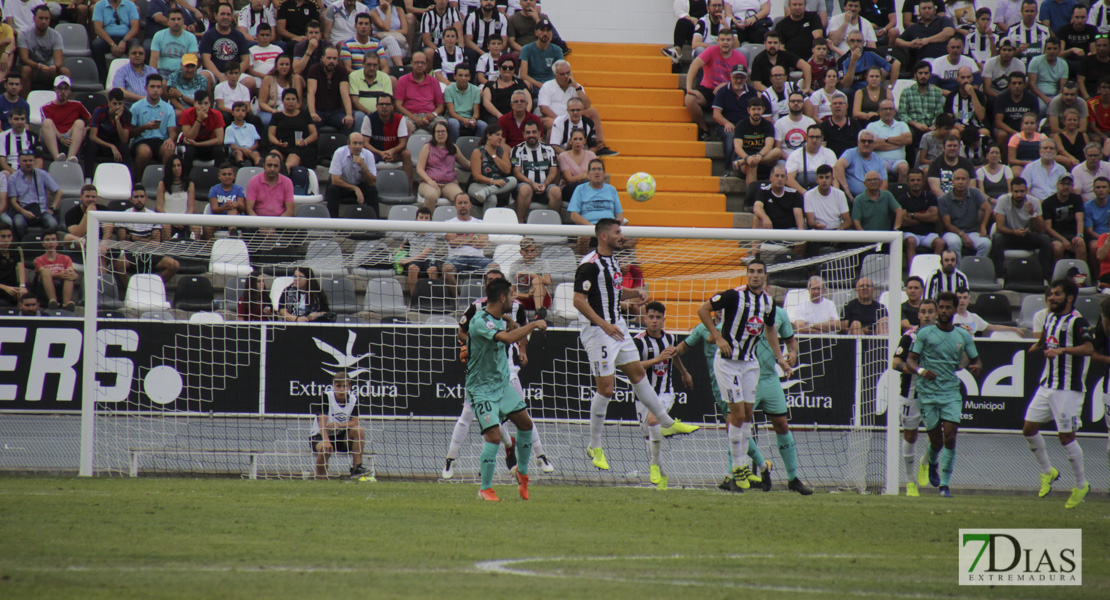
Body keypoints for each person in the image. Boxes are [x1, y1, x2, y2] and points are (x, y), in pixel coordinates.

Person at [578, 219, 699, 471]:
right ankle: (594, 445)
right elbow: (579, 301)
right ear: (603, 236)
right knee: (607, 389)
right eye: (617, 232)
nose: (622, 236)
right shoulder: (588, 265)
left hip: (616, 326)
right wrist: (604, 325)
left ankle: (666, 420)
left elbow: (611, 292)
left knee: (637, 373)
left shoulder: (613, 262)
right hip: (598, 332)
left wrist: (635, 294)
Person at [445, 269, 554, 480]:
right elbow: (500, 335)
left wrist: (521, 346)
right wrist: (471, 344)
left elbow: (513, 329)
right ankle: (455, 462)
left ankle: (535, 460)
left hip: (504, 374)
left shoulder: (511, 310)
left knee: (524, 420)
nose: (514, 297)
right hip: (481, 383)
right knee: (485, 429)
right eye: (491, 281)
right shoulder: (478, 314)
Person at [693, 257, 783, 486]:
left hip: (750, 363)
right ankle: (738, 467)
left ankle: (747, 465)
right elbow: (703, 310)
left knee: (748, 415)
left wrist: (780, 358)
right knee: (738, 415)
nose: (755, 275)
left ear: (765, 276)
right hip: (727, 362)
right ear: (747, 274)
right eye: (751, 271)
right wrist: (718, 336)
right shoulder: (734, 295)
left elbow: (771, 329)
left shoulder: (769, 303)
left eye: (759, 272)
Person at [466, 277, 546, 501]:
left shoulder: (497, 316)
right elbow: (506, 338)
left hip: (501, 385)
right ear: (502, 297)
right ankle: (485, 488)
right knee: (492, 436)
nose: (514, 298)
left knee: (526, 424)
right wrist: (532, 325)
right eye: (511, 295)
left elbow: (500, 321)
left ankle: (522, 473)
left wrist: (509, 318)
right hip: (481, 388)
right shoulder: (480, 322)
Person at [1024, 278, 1092, 508]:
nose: (1051, 298)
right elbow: (1046, 336)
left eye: (1056, 294)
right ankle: (1048, 472)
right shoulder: (1050, 316)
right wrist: (1039, 345)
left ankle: (1081, 484)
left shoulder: (1078, 321)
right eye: (1050, 294)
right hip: (1048, 384)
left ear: (1069, 298)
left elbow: (1088, 349)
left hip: (1068, 389)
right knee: (1029, 428)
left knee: (1066, 437)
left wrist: (1062, 350)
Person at [904, 291, 980, 497]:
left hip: (951, 392)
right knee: (936, 441)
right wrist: (921, 371)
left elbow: (976, 358)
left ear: (955, 310)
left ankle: (945, 485)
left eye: (948, 308)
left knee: (951, 436)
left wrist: (976, 366)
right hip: (927, 394)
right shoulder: (924, 334)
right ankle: (932, 462)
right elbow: (910, 360)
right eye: (941, 307)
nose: (944, 311)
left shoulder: (963, 335)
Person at [631, 302, 693, 490]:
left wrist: (683, 372)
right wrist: (657, 359)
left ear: (664, 319)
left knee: (653, 421)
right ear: (645, 319)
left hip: (664, 392)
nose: (654, 321)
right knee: (650, 441)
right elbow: (633, 367)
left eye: (658, 317)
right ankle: (662, 477)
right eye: (651, 317)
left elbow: (674, 356)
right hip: (642, 396)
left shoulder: (670, 338)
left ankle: (653, 468)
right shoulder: (638, 341)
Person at [891, 297, 937, 496]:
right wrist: (914, 370)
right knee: (910, 435)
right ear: (918, 315)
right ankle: (910, 483)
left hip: (935, 393)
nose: (926, 316)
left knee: (939, 434)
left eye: (930, 312)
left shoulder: (943, 337)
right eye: (923, 312)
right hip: (911, 393)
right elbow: (895, 363)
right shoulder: (909, 337)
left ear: (936, 314)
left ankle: (925, 462)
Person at [685, 28, 744, 141]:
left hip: (728, 92)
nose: (725, 42)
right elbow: (694, 66)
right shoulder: (711, 51)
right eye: (722, 40)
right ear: (718, 41)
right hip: (708, 90)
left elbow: (743, 80)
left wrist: (726, 85)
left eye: (728, 40)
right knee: (689, 99)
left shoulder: (739, 57)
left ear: (732, 42)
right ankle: (704, 130)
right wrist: (689, 88)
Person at [990, 177, 1053, 277]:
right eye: (1016, 191)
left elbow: (1041, 230)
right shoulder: (1002, 200)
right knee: (997, 239)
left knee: (1045, 239)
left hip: (1027, 236)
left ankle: (1044, 277)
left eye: (1022, 191)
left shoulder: (1034, 202)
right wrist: (1014, 232)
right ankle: (999, 276)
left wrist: (1033, 214)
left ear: (1026, 191)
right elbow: (999, 227)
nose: (1019, 194)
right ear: (1011, 191)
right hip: (1010, 235)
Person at [309, 371, 367, 479]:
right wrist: (326, 440)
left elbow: (355, 422)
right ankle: (321, 478)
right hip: (321, 436)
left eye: (344, 386)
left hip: (340, 437)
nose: (341, 389)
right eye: (338, 386)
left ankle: (356, 468)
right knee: (324, 448)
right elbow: (321, 422)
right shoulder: (326, 397)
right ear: (333, 386)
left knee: (359, 430)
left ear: (349, 386)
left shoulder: (353, 400)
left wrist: (339, 425)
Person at [130, 74, 177, 181]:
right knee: (144, 152)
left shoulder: (168, 108)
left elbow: (173, 131)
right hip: (141, 141)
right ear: (146, 88)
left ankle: (167, 183)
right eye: (152, 87)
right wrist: (144, 127)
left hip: (161, 141)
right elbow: (130, 133)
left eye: (158, 87)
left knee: (169, 149)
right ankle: (139, 182)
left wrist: (170, 139)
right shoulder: (136, 107)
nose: (155, 90)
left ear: (162, 89)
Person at [510, 120, 558, 222]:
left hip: (545, 186)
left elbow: (553, 171)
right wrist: (532, 183)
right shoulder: (517, 150)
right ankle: (520, 226)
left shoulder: (549, 149)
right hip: (525, 186)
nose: (531, 135)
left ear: (540, 133)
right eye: (528, 132)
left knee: (556, 191)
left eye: (534, 132)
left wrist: (545, 184)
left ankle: (553, 227)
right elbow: (517, 172)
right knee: (525, 189)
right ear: (523, 134)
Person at [361, 93, 413, 189]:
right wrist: (380, 153)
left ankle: (409, 189)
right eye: (381, 104)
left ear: (392, 106)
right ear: (376, 106)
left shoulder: (400, 119)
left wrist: (391, 151)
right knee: (365, 156)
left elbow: (403, 143)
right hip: (375, 154)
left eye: (387, 104)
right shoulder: (368, 118)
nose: (384, 107)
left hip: (393, 154)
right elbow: (365, 143)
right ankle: (368, 189)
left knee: (406, 154)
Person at [417, 119, 470, 210]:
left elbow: (465, 163)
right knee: (431, 196)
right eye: (438, 132)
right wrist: (429, 181)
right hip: (429, 183)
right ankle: (427, 221)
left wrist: (479, 164)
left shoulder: (453, 147)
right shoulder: (427, 147)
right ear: (434, 134)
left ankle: (459, 222)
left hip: (449, 183)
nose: (440, 134)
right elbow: (419, 169)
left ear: (447, 133)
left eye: (443, 131)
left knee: (461, 198)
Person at [441, 193, 491, 289]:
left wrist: (460, 239)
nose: (463, 205)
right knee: (446, 269)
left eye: (465, 202)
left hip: (478, 258)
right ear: (455, 206)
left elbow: (483, 243)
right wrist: (473, 238)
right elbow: (452, 243)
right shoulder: (448, 223)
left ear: (470, 205)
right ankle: (456, 299)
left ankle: (488, 299)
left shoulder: (480, 223)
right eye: (460, 203)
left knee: (495, 268)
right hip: (456, 258)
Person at [16, 6, 69, 95]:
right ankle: (25, 104)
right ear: (34, 19)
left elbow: (59, 60)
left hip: (48, 70)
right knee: (26, 70)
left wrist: (55, 67)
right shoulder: (24, 34)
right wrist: (39, 66)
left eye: (46, 18)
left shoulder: (56, 35)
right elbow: (23, 59)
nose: (44, 21)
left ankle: (61, 104)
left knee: (65, 71)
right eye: (41, 18)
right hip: (32, 69)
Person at [200, 3, 253, 93]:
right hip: (214, 73)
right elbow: (206, 60)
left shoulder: (239, 35)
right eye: (222, 14)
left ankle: (239, 105)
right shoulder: (208, 35)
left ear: (232, 17)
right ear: (216, 15)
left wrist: (234, 74)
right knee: (204, 77)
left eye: (228, 14)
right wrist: (221, 77)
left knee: (250, 82)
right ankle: (209, 105)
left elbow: (246, 60)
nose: (226, 17)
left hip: (234, 73)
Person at [6, 150, 59, 238]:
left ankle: (43, 244)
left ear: (34, 161)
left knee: (52, 223)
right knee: (18, 223)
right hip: (22, 211)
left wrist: (52, 208)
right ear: (19, 161)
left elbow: (58, 191)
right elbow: (13, 201)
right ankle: (24, 245)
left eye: (30, 160)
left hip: (41, 211)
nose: (28, 163)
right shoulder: (13, 178)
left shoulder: (42, 174)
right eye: (25, 161)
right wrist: (24, 212)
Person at [325, 132, 379, 218]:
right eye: (355, 143)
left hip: (361, 184)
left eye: (360, 143)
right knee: (333, 189)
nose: (357, 146)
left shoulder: (368, 155)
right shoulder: (339, 153)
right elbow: (335, 180)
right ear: (348, 144)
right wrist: (355, 188)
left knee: (372, 191)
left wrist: (363, 166)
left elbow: (372, 182)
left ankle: (376, 225)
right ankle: (332, 223)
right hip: (343, 185)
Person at [898, 168, 945, 266]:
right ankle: (912, 272)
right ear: (908, 182)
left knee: (940, 243)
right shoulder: (902, 199)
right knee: (911, 241)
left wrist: (912, 215)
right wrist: (925, 216)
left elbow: (934, 218)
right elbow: (903, 221)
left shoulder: (931, 197)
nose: (915, 182)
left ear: (923, 182)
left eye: (918, 180)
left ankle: (933, 269)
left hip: (928, 234)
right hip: (910, 233)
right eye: (912, 180)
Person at [898, 61, 946, 154]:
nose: (923, 76)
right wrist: (916, 124)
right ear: (915, 75)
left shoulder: (937, 92)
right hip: (913, 126)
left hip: (932, 126)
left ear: (930, 75)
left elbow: (939, 114)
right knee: (909, 135)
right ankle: (911, 165)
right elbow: (902, 114)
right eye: (920, 73)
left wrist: (934, 125)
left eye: (926, 73)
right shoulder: (906, 92)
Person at [39, 76, 88, 164]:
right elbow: (47, 127)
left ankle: (70, 159)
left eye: (66, 89)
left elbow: (92, 120)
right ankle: (57, 158)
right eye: (60, 89)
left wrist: (85, 130)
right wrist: (61, 138)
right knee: (47, 122)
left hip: (70, 135)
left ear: (70, 91)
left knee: (80, 123)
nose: (63, 92)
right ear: (55, 89)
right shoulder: (46, 107)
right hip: (54, 136)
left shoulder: (77, 105)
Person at [84, 87, 131, 178]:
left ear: (124, 104)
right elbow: (92, 136)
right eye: (114, 104)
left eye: (120, 104)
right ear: (109, 103)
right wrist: (111, 146)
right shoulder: (99, 111)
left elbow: (124, 139)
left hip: (116, 142)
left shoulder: (127, 114)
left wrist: (117, 121)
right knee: (91, 146)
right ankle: (88, 178)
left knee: (125, 148)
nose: (117, 107)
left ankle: (126, 178)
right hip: (101, 142)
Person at [731, 97, 778, 186]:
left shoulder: (767, 125)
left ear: (763, 110)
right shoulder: (741, 125)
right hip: (745, 159)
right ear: (749, 110)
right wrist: (747, 158)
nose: (756, 112)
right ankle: (751, 197)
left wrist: (759, 156)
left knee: (777, 151)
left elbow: (769, 145)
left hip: (763, 157)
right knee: (752, 164)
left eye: (759, 109)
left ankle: (749, 160)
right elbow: (737, 147)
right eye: (753, 109)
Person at [1042, 174, 1088, 266]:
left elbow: (1080, 219)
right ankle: (1056, 276)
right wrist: (1063, 240)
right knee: (1058, 247)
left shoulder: (1076, 199)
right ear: (1057, 185)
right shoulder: (1048, 202)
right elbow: (1048, 228)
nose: (1066, 187)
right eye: (1063, 183)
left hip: (1072, 234)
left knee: (1080, 243)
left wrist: (1079, 235)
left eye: (1069, 184)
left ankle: (1081, 275)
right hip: (1056, 236)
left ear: (1072, 186)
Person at [91, 0, 141, 83]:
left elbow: (135, 28)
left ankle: (134, 77)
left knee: (136, 44)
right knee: (96, 45)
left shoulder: (130, 5)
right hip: (107, 38)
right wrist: (112, 44)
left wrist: (124, 41)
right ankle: (103, 79)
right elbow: (98, 29)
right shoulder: (100, 5)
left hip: (126, 38)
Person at [177, 89, 226, 174]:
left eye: (206, 103)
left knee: (219, 150)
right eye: (200, 103)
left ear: (210, 104)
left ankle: (220, 180)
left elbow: (219, 140)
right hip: (191, 144)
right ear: (195, 103)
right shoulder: (186, 113)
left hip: (207, 145)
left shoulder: (217, 114)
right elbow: (189, 138)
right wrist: (199, 120)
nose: (203, 106)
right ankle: (186, 180)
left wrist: (198, 144)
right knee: (189, 151)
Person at [469, 124, 516, 210]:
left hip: (497, 186)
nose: (500, 137)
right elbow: (477, 176)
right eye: (497, 135)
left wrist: (493, 155)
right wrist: (493, 181)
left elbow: (507, 170)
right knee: (491, 198)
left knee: (513, 180)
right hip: (478, 185)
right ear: (489, 136)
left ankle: (487, 191)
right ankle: (487, 223)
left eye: (501, 135)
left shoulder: (503, 151)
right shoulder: (478, 152)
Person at [395, 52, 445, 134]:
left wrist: (433, 114)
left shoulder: (434, 81)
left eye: (422, 63)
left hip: (429, 116)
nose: (419, 65)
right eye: (417, 62)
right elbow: (398, 105)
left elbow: (440, 105)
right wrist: (414, 118)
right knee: (404, 125)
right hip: (410, 116)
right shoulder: (403, 80)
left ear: (426, 64)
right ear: (411, 63)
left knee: (443, 125)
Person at [268, 89, 317, 169]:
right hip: (281, 146)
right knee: (273, 159)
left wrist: (305, 142)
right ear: (283, 101)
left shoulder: (305, 114)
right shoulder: (277, 116)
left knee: (289, 165)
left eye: (293, 99)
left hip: (299, 147)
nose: (291, 101)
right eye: (288, 99)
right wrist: (277, 143)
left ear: (297, 101)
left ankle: (285, 178)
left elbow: (314, 134)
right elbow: (271, 134)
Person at [865, 100, 911, 184]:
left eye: (890, 109)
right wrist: (899, 143)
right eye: (885, 109)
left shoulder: (902, 125)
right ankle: (883, 194)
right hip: (880, 160)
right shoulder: (872, 126)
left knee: (903, 167)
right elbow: (874, 145)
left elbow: (908, 140)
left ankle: (900, 193)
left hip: (899, 161)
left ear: (894, 111)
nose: (888, 111)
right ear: (879, 112)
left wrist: (885, 140)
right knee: (883, 167)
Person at [752, 164, 805, 238]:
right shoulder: (763, 191)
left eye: (782, 176)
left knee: (801, 234)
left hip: (789, 231)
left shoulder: (794, 194)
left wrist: (801, 235)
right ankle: (755, 249)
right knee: (757, 218)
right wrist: (765, 218)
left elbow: (798, 215)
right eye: (777, 176)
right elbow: (757, 208)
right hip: (769, 230)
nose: (780, 179)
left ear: (786, 179)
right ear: (771, 178)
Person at [398, 207, 440, 296]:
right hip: (413, 258)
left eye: (426, 218)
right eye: (421, 218)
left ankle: (434, 298)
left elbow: (426, 252)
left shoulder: (432, 234)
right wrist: (399, 253)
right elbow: (403, 244)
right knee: (413, 268)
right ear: (416, 219)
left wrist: (408, 260)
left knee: (433, 269)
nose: (423, 220)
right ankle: (414, 299)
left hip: (427, 258)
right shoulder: (410, 232)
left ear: (430, 220)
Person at [567, 157, 620, 227]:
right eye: (594, 169)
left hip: (609, 228)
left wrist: (616, 227)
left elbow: (619, 215)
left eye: (599, 169)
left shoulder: (612, 189)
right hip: (588, 228)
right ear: (588, 173)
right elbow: (574, 215)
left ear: (604, 173)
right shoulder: (580, 189)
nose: (597, 172)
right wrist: (593, 228)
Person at [31, 228, 75, 311]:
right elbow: (42, 273)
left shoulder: (66, 258)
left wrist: (71, 274)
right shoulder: (38, 260)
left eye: (53, 239)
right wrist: (60, 275)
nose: (51, 242)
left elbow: (71, 271)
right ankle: (53, 301)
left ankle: (66, 304)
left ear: (57, 242)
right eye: (47, 240)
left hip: (61, 285)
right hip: (43, 288)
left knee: (69, 273)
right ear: (43, 243)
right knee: (45, 272)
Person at [834, 129, 887, 198]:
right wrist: (846, 189)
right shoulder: (850, 153)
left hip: (872, 199)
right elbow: (838, 166)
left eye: (869, 141)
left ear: (874, 144)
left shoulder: (879, 161)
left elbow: (884, 186)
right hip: (851, 197)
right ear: (858, 143)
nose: (866, 144)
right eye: (863, 141)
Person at [952, 287, 1026, 336]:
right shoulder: (950, 317)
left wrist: (1013, 329)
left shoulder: (974, 317)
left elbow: (992, 327)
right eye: (959, 298)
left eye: (965, 298)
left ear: (969, 299)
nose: (962, 301)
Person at [156, 155, 197, 241]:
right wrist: (172, 221)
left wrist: (183, 221)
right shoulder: (162, 184)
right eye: (174, 166)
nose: (177, 168)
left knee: (196, 226)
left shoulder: (190, 184)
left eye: (179, 165)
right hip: (168, 220)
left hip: (185, 219)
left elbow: (191, 208)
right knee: (166, 227)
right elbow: (159, 207)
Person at [785, 124, 835, 194]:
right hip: (802, 193)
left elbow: (834, 178)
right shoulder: (795, 155)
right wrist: (804, 192)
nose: (814, 140)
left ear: (822, 138)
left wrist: (835, 194)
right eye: (811, 137)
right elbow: (789, 178)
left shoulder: (829, 154)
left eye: (817, 137)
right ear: (806, 138)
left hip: (824, 193)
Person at [481, 55, 529, 127]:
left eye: (511, 68)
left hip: (517, 114)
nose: (507, 69)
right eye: (504, 67)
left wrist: (524, 114)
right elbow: (486, 102)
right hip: (496, 116)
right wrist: (501, 116)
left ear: (514, 69)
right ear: (499, 69)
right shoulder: (490, 84)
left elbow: (529, 100)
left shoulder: (520, 83)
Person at [150, 8, 199, 78]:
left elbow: (192, 60)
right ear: (168, 22)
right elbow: (154, 60)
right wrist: (154, 78)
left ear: (183, 21)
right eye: (173, 19)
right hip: (163, 72)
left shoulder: (191, 37)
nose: (176, 22)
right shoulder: (159, 35)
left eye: (179, 19)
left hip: (183, 73)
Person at [803, 164, 850, 235]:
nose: (824, 180)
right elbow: (810, 221)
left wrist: (840, 230)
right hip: (817, 233)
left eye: (827, 177)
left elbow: (848, 221)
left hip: (837, 231)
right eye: (821, 177)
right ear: (817, 180)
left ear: (832, 179)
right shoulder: (809, 195)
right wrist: (816, 225)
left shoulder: (840, 194)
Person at [259, 55, 305, 127]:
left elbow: (299, 103)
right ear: (276, 66)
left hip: (291, 110)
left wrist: (287, 112)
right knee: (267, 120)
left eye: (287, 64)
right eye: (281, 64)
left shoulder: (296, 79)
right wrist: (273, 111)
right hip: (271, 110)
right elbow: (262, 103)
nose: (284, 67)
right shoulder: (268, 79)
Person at [246, 151, 295, 218]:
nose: (272, 169)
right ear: (263, 166)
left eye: (276, 166)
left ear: (280, 167)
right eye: (269, 165)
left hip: (280, 224)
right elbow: (249, 209)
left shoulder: (287, 182)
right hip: (257, 223)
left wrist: (275, 225)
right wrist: (259, 224)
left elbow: (290, 211)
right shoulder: (254, 181)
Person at [444, 64, 486, 141]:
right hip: (454, 118)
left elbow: (476, 112)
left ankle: (476, 148)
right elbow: (451, 113)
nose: (463, 78)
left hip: (469, 118)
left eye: (466, 76)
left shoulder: (476, 90)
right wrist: (464, 120)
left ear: (470, 77)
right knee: (453, 123)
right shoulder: (449, 89)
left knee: (483, 125)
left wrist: (473, 119)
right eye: (460, 75)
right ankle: (454, 148)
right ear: (454, 76)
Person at [518, 18, 562, 90]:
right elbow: (523, 75)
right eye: (542, 30)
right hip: (533, 84)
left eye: (548, 30)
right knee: (525, 84)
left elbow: (562, 71)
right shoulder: (526, 49)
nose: (545, 33)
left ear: (551, 33)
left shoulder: (557, 50)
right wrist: (541, 85)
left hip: (551, 85)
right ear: (536, 32)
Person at [204, 162, 244, 240]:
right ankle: (211, 248)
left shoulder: (239, 189)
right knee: (207, 227)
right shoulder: (214, 189)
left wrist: (236, 204)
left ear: (234, 176)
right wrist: (225, 207)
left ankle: (233, 233)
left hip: (236, 219)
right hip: (218, 218)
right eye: (224, 174)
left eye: (229, 174)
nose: (227, 177)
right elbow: (214, 209)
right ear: (219, 176)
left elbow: (243, 207)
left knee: (232, 208)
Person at [1005, 0, 1050, 68]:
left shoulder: (1044, 30)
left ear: (1036, 12)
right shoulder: (1012, 30)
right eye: (1027, 11)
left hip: (1039, 68)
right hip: (1017, 69)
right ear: (1021, 12)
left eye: (1032, 11)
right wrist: (1018, 51)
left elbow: (1048, 53)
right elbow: (1006, 54)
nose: (1029, 14)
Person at [225, 101, 261, 167]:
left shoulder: (251, 127)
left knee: (256, 154)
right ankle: (241, 165)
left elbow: (256, 144)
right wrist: (244, 150)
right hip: (237, 150)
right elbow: (232, 146)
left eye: (243, 110)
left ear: (245, 113)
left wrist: (249, 150)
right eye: (237, 110)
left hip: (251, 149)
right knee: (237, 153)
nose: (240, 112)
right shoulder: (229, 129)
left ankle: (258, 167)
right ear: (232, 112)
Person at [0, 106, 35, 173]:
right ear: (10, 120)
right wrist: (16, 174)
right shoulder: (2, 137)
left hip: (29, 172)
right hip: (11, 172)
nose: (19, 122)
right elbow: (2, 161)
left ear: (26, 120)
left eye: (22, 119)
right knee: (5, 173)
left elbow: (39, 160)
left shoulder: (33, 137)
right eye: (16, 119)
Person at [0, 221, 24, 305]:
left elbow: (21, 270)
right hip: (2, 287)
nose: (6, 240)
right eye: (3, 236)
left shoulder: (16, 250)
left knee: (25, 295)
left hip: (12, 287)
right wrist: (5, 288)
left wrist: (22, 286)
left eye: (9, 236)